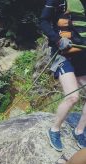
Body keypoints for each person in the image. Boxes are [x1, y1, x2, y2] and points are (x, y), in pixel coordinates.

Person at [40, 0, 86, 151]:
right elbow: (43, 21)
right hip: (63, 54)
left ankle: (79, 131)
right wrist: (58, 40)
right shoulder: (56, 1)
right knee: (73, 97)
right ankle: (54, 129)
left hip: (82, 55)